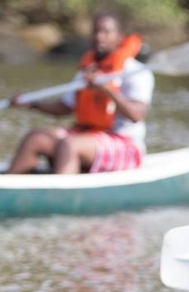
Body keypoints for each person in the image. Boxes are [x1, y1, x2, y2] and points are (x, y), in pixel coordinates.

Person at [7, 12, 154, 174]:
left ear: (120, 37)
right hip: (84, 135)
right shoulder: (87, 72)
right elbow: (65, 107)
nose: (99, 37)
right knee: (36, 138)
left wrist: (107, 88)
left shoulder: (135, 72)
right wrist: (32, 105)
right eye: (95, 32)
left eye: (106, 32)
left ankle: (61, 195)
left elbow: (136, 115)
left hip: (124, 144)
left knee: (70, 144)